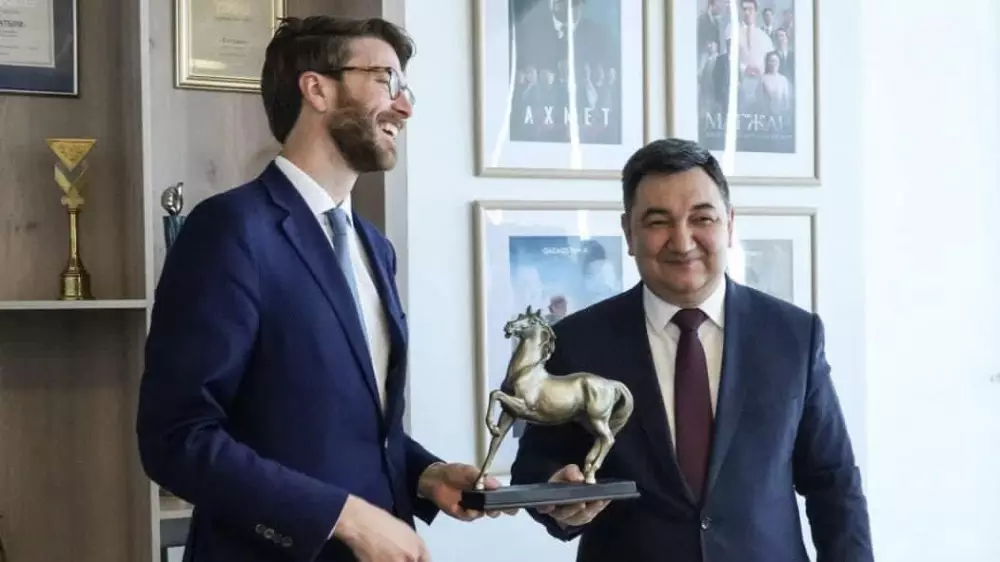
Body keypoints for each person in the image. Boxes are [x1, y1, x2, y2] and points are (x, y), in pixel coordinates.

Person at [136, 15, 512, 562]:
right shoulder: (230, 230)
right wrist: (345, 517)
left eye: (405, 88)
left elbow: (342, 424)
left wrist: (425, 474)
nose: (404, 107)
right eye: (385, 80)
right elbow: (176, 439)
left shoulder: (374, 246)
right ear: (316, 89)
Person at [509, 138, 873, 561]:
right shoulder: (578, 340)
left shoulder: (793, 335)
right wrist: (558, 496)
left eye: (702, 218)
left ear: (729, 225)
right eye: (657, 221)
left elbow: (833, 481)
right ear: (628, 233)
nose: (682, 242)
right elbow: (534, 466)